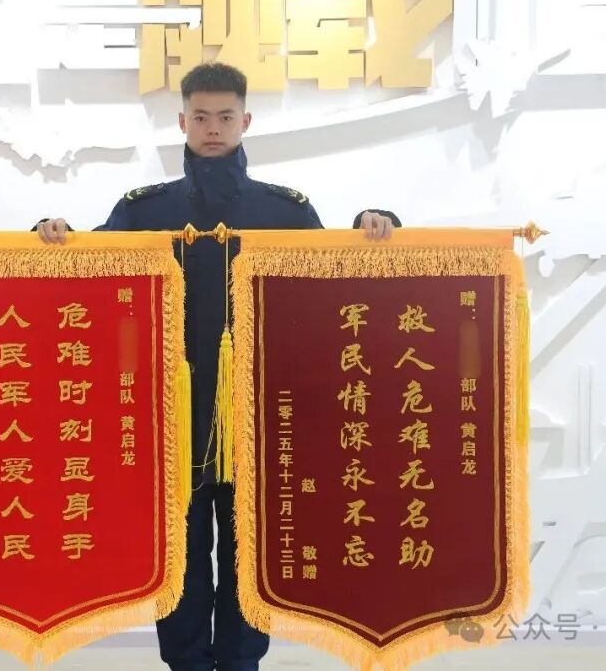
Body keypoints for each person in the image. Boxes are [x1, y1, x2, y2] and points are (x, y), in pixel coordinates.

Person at [35, 62, 399, 671]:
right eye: (200, 117)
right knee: (177, 560)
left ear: (245, 121)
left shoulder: (284, 211)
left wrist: (371, 225)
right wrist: (55, 232)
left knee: (247, 562)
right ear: (182, 121)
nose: (212, 128)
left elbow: (336, 281)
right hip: (170, 420)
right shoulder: (145, 209)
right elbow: (90, 264)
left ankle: (238, 665)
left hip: (259, 422)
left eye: (225, 116)